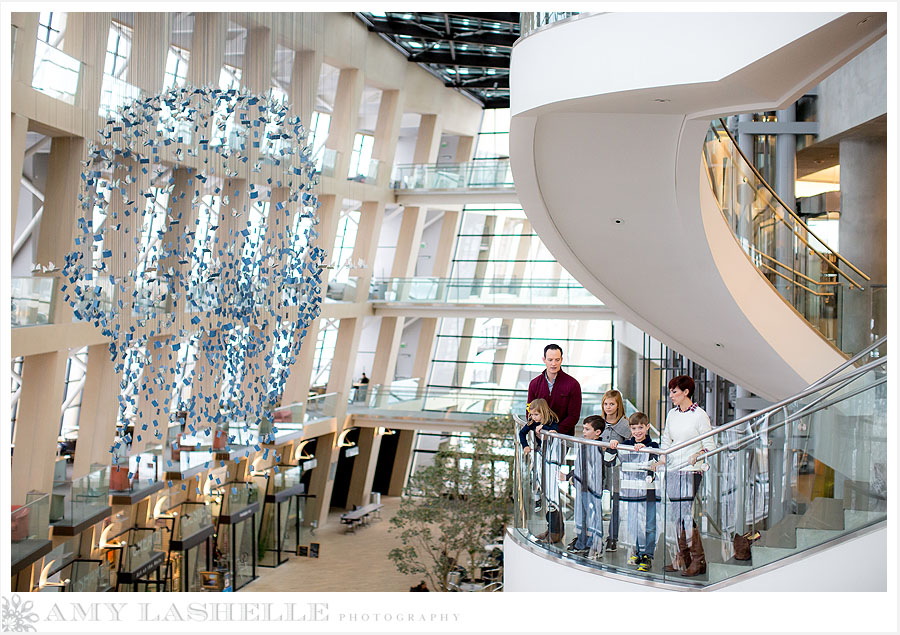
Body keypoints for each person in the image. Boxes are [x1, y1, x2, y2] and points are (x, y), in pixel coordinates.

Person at [659, 374, 715, 577]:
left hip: (691, 470)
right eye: (671, 391)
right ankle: (683, 557)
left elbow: (710, 446)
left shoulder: (699, 415)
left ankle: (697, 559)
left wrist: (698, 454)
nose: (671, 395)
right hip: (673, 470)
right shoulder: (672, 414)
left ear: (686, 392)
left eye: (674, 391)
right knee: (677, 517)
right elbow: (666, 439)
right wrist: (662, 459)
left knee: (684, 515)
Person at [617, 412, 660, 572]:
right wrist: (615, 445)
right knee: (636, 523)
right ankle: (638, 550)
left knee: (649, 525)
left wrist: (646, 449)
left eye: (641, 427)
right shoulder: (627, 444)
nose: (637, 431)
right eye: (634, 428)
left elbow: (657, 462)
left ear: (647, 427)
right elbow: (613, 459)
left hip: (649, 493)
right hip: (632, 492)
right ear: (630, 429)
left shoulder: (654, 446)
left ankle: (647, 555)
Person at [519, 398, 563, 542]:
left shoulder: (551, 421)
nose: (533, 418)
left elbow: (555, 431)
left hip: (551, 458)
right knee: (538, 482)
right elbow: (522, 433)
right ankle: (538, 500)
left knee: (551, 493)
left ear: (543, 412)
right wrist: (525, 445)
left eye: (536, 415)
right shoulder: (532, 422)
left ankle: (555, 531)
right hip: (539, 456)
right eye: (531, 415)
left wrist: (545, 430)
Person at [560, 415, 605, 557]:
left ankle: (595, 545)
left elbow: (595, 468)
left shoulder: (600, 446)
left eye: (587, 429)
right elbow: (581, 466)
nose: (583, 432)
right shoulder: (583, 444)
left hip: (593, 489)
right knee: (581, 516)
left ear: (597, 432)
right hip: (582, 487)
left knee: (593, 517)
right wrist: (570, 476)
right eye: (583, 428)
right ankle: (582, 543)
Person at [599, 389, 631, 552]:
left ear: (618, 405)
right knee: (596, 499)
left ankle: (613, 538)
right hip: (599, 468)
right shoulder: (599, 422)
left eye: (612, 404)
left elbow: (631, 447)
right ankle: (596, 535)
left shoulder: (625, 425)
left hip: (617, 469)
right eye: (606, 404)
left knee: (616, 504)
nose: (608, 407)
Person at [527, 344, 582, 436]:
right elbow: (529, 410)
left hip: (563, 436)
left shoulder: (573, 384)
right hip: (539, 434)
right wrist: (536, 428)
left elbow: (574, 416)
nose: (554, 364)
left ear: (561, 360)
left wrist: (556, 430)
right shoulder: (534, 384)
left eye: (557, 360)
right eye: (550, 360)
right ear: (544, 360)